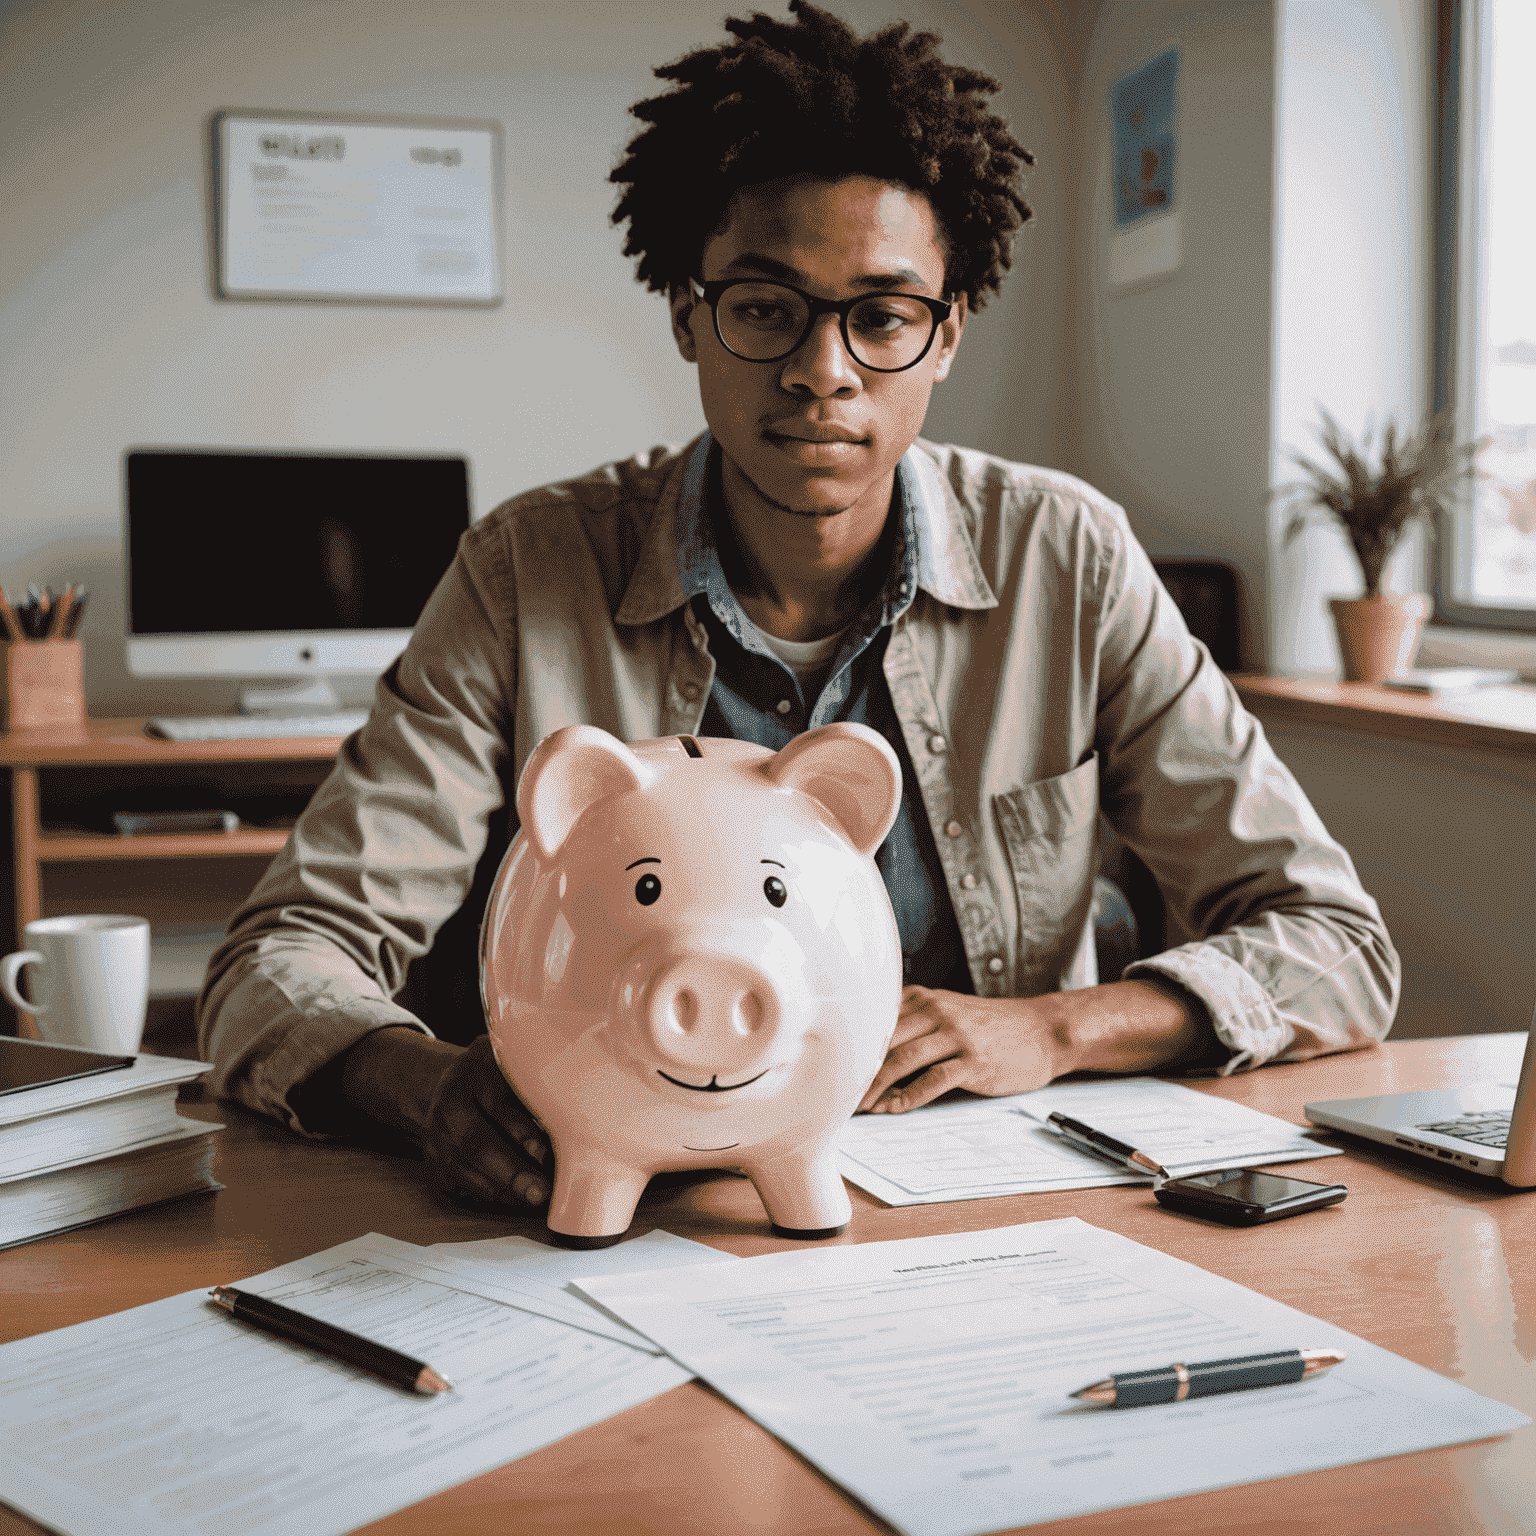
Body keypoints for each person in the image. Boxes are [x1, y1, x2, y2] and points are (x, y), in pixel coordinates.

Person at [199, 1, 1398, 1211]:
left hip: (975, 1224)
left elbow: (1334, 945)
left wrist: (1054, 1028)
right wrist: (427, 1086)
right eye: (767, 307)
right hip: (585, 1228)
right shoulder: (527, 576)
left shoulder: (1068, 561)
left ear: (946, 337)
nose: (822, 371)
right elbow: (277, 961)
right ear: (688, 313)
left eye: (881, 317)